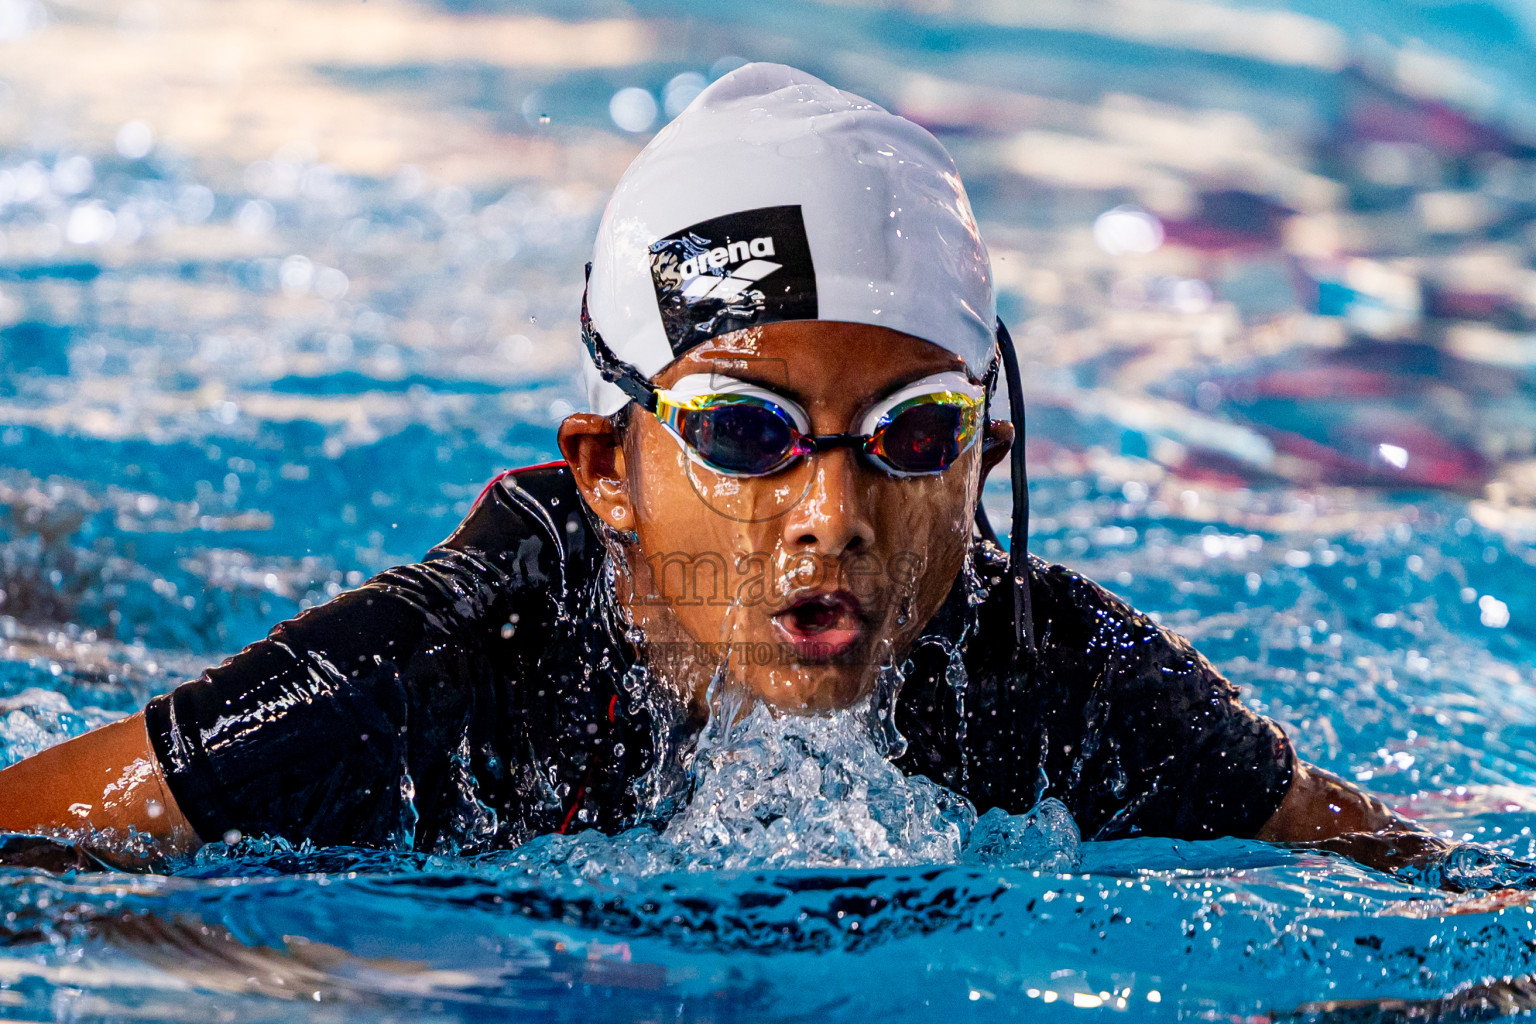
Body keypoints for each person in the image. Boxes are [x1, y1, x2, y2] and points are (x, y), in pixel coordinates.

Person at [0, 63, 1439, 874]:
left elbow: (1427, 888)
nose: (833, 516)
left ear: (982, 462)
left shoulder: (1060, 676)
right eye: (746, 435)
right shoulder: (431, 668)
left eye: (913, 440)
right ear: (608, 471)